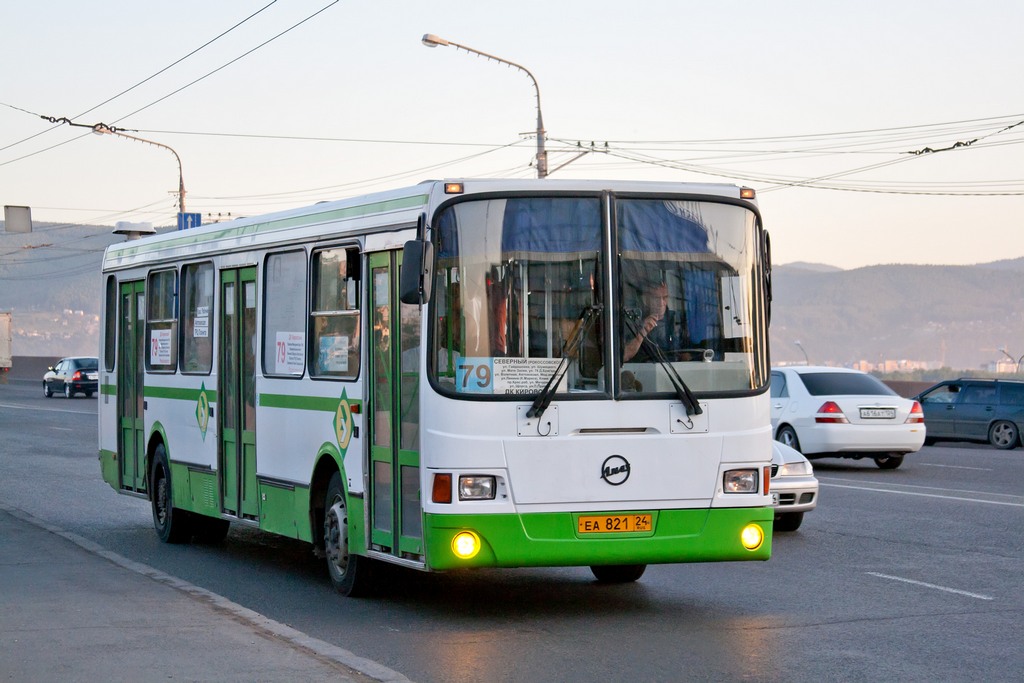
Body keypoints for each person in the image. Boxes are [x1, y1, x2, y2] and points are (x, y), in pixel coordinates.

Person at [623, 280, 676, 362]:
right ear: (646, 300)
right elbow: (624, 356)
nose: (661, 303)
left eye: (665, 297)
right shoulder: (634, 320)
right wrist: (641, 333)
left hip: (675, 370)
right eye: (656, 298)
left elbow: (691, 350)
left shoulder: (677, 320)